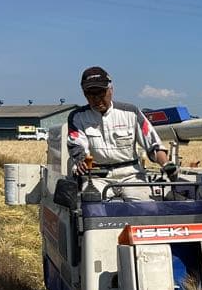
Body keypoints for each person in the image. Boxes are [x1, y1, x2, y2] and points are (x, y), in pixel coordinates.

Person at [66, 66, 170, 202]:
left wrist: (167, 165)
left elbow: (153, 144)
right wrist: (81, 161)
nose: (96, 99)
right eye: (91, 94)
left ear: (111, 90)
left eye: (101, 93)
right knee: (91, 205)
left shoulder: (131, 112)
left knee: (145, 205)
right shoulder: (77, 117)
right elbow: (77, 145)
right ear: (84, 94)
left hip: (131, 176)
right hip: (98, 177)